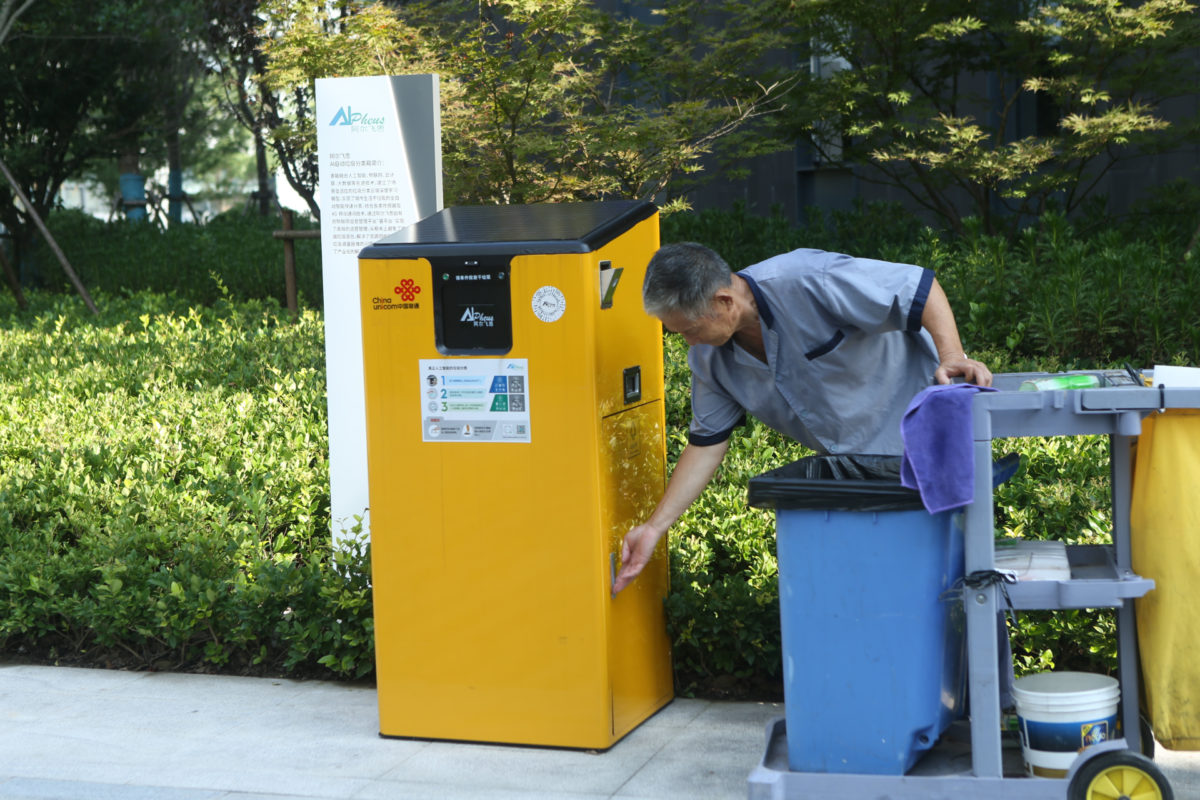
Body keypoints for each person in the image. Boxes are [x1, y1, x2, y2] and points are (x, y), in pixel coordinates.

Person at [611, 242, 992, 595]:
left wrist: (952, 355)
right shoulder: (708, 358)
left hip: (929, 455)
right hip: (851, 481)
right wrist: (654, 528)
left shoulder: (809, 279)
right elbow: (706, 444)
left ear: (724, 301)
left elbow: (918, 288)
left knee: (950, 593)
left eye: (690, 330)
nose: (688, 343)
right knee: (873, 598)